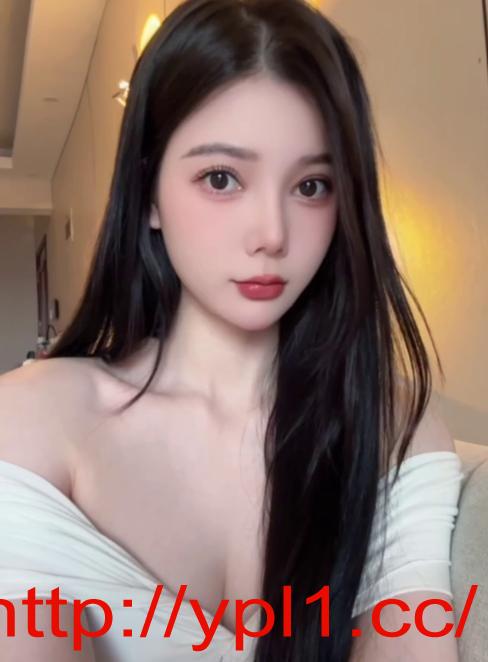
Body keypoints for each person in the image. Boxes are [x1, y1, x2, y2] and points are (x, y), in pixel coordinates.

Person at [0, 0, 464, 660]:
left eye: (312, 186)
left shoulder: (392, 425)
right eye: (221, 179)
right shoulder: (33, 421)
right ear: (149, 193)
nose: (272, 234)